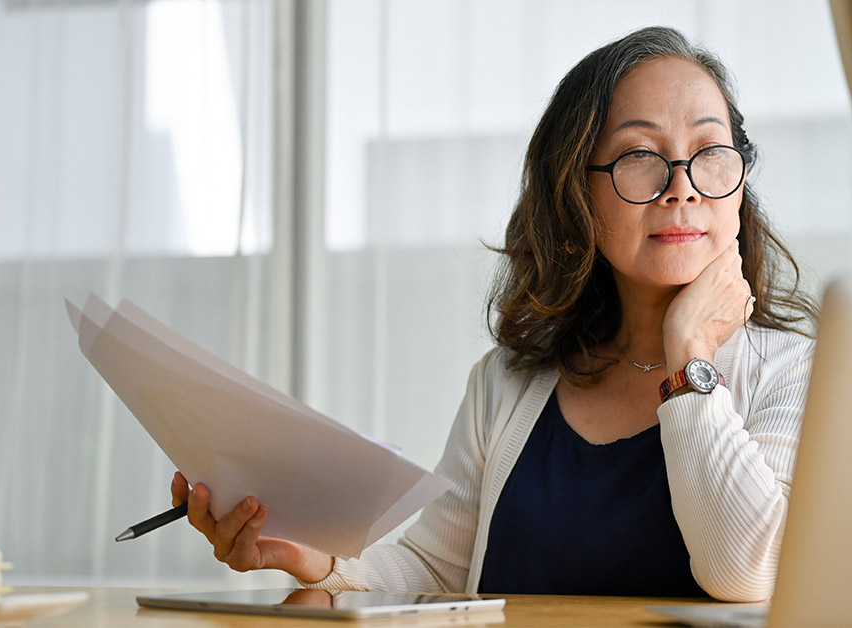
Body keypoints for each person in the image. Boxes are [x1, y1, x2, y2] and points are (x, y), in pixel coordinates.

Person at [170, 25, 817, 603]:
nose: (682, 184)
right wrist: (317, 563)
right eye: (639, 156)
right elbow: (433, 567)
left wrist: (690, 358)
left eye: (710, 151)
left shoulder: (795, 372)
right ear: (577, 194)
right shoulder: (505, 384)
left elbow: (746, 572)